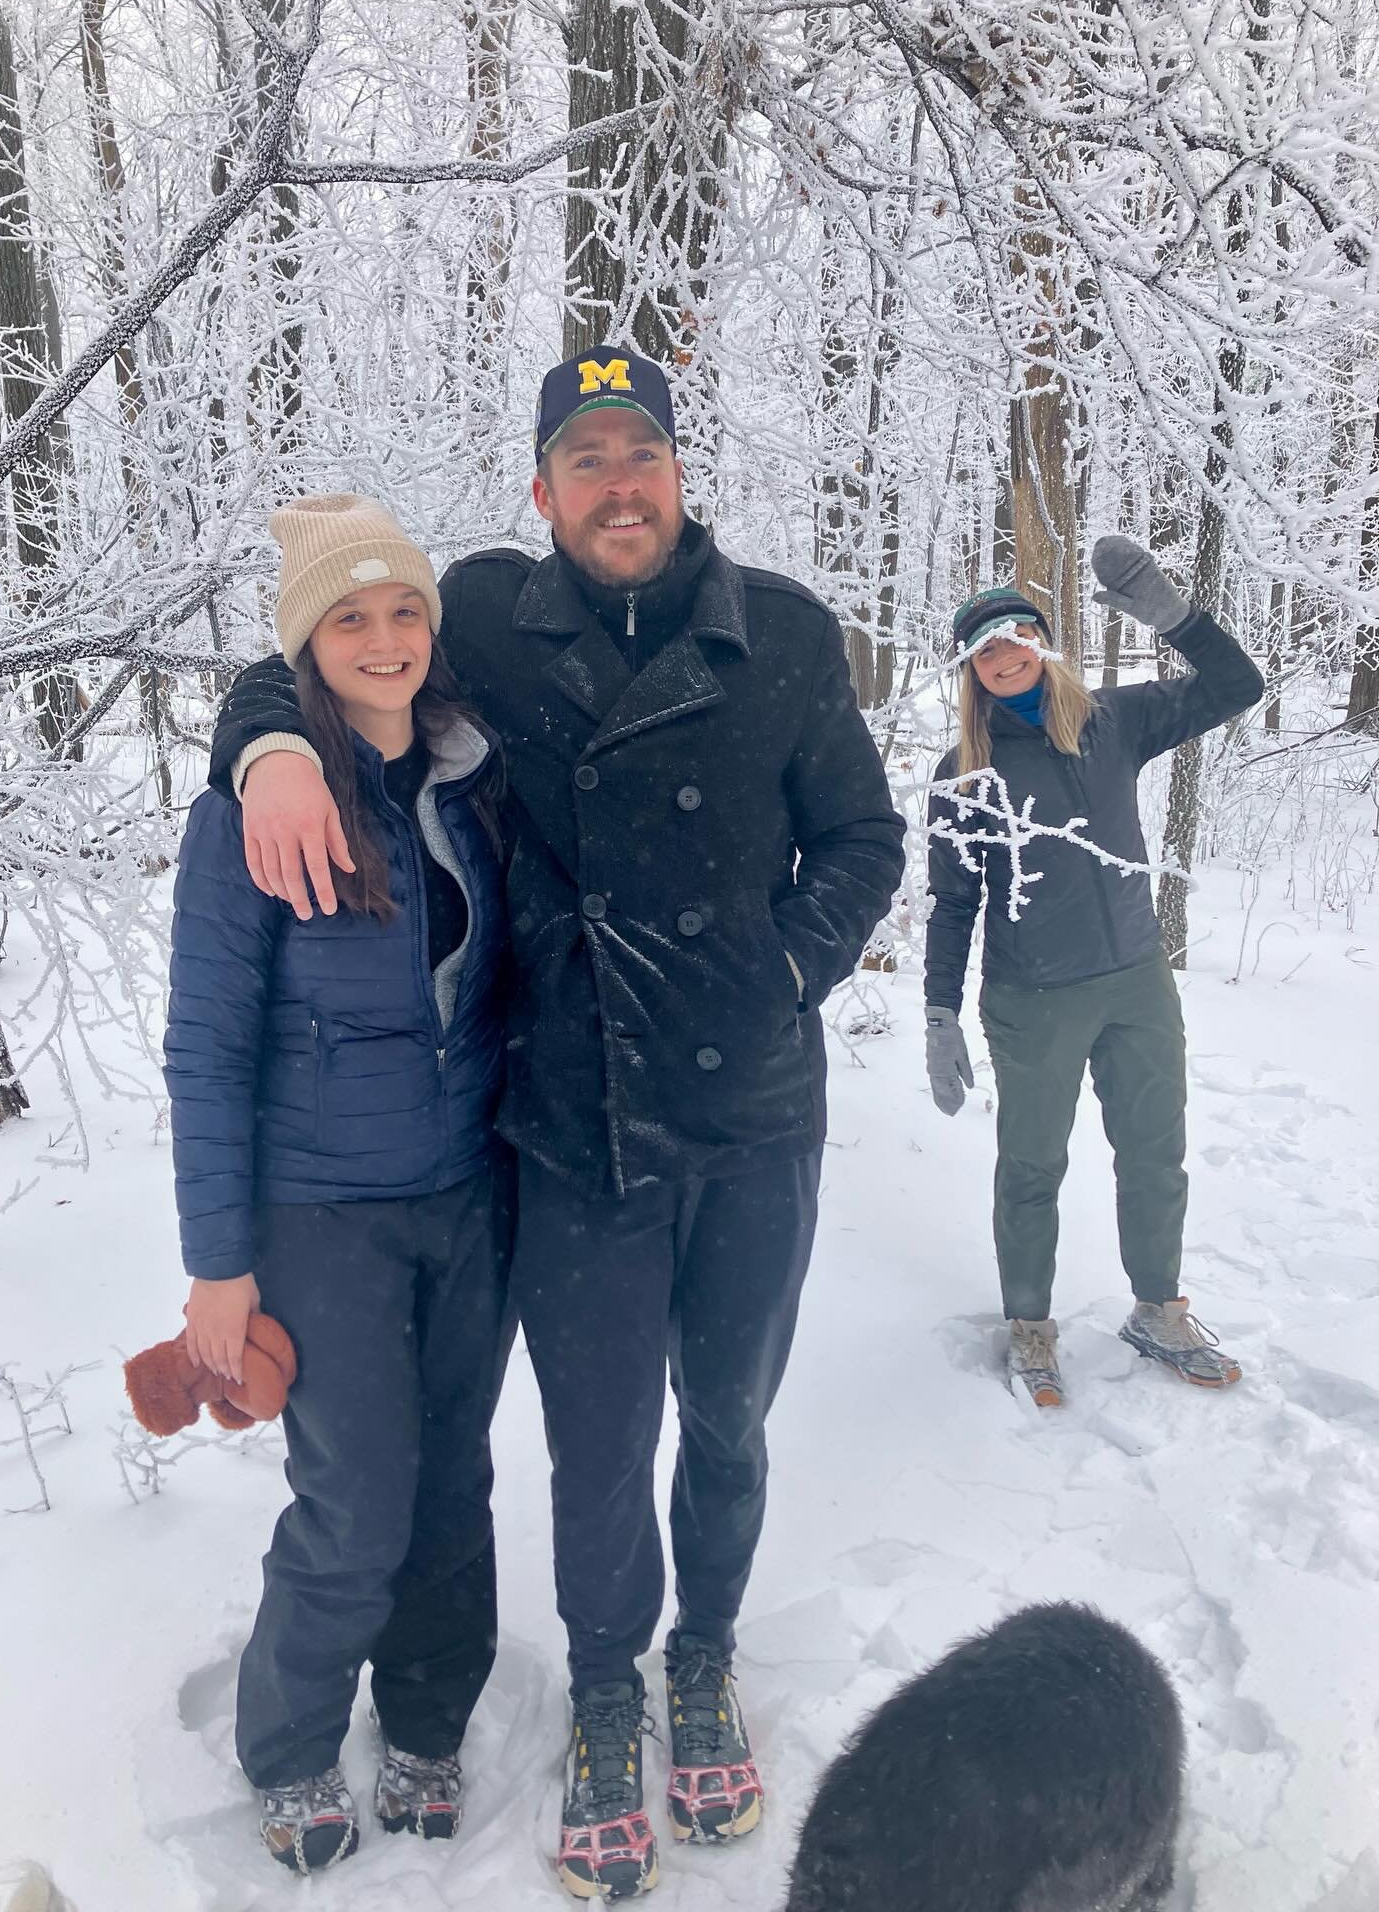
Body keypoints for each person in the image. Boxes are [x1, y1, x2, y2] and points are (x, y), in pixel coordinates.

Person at [205, 348, 906, 1901]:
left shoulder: (781, 633)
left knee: (726, 1421)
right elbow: (327, 653)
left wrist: (781, 965)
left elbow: (866, 837)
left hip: (750, 1122)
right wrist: (259, 746)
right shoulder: (489, 628)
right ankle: (605, 1690)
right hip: (569, 1125)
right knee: (599, 1450)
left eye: (638, 453)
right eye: (583, 461)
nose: (617, 486)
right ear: (542, 491)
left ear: (677, 472)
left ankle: (703, 1656)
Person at [165, 495, 513, 1875]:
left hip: (466, 1196)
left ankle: (429, 1719)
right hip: (320, 1213)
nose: (385, 638)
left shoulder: (472, 779)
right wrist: (217, 1257)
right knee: (356, 1496)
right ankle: (295, 1745)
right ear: (306, 644)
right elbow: (205, 1046)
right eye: (350, 616)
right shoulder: (252, 808)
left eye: (405, 609)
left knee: (452, 1487)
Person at [923, 535, 1264, 1408]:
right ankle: (1031, 1326)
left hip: (1137, 981)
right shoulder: (966, 771)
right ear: (970, 669)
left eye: (1014, 637)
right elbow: (955, 903)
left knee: (1156, 1154)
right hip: (1033, 999)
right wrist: (938, 1014)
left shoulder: (1115, 720)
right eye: (984, 648)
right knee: (1032, 1167)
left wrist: (1174, 617)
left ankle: (1158, 1309)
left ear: (1042, 641)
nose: (1003, 656)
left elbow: (1238, 688)